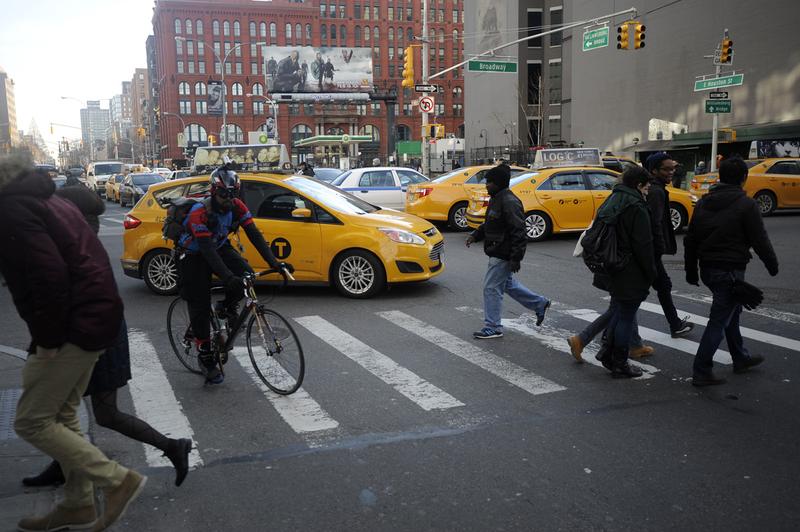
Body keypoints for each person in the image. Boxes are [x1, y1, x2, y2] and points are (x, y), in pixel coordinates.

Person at [0, 155, 146, 531]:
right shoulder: (49, 201)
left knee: (32, 420)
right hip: (95, 316)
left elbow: (48, 276)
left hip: (73, 326)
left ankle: (116, 480)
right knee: (63, 415)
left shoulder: (14, 209)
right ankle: (77, 504)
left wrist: (47, 341)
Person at [22, 183, 192, 489]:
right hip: (99, 333)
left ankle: (170, 448)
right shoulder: (80, 245)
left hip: (100, 336)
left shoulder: (76, 251)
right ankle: (64, 465)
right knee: (72, 410)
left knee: (102, 413)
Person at [178, 165, 293, 384]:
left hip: (219, 245)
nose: (228, 198)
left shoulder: (237, 207)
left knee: (247, 276)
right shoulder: (199, 213)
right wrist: (228, 278)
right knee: (200, 303)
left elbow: (255, 235)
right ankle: (205, 356)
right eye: (223, 194)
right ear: (214, 192)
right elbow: (207, 252)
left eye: (233, 193)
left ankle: (226, 307)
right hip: (194, 254)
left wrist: (275, 263)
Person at [684, 157, 779, 386]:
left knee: (731, 313)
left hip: (709, 269)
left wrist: (691, 270)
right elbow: (760, 240)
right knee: (719, 320)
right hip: (730, 271)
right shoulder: (746, 205)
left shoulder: (704, 203)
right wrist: (772, 264)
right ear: (743, 178)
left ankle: (740, 357)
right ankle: (702, 370)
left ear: (720, 177)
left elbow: (691, 239)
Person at [466, 164, 550, 339]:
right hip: (497, 249)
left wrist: (516, 258)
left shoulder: (509, 202)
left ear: (498, 183)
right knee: (507, 285)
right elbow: (490, 223)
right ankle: (539, 304)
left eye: (489, 182)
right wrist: (476, 235)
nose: (486, 185)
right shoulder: (497, 198)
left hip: (502, 253)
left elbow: (519, 231)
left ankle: (493, 327)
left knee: (491, 288)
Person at [593, 166, 657, 378]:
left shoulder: (612, 199)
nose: (647, 191)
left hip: (610, 264)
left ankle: (608, 354)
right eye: (646, 187)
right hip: (630, 268)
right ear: (638, 185)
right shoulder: (636, 206)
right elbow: (643, 245)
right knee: (626, 316)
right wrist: (651, 272)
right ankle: (620, 362)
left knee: (620, 311)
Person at [645, 153, 694, 337]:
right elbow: (654, 224)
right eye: (666, 169)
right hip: (649, 251)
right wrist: (658, 248)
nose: (671, 172)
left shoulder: (654, 188)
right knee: (633, 298)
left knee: (660, 287)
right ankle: (596, 335)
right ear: (654, 170)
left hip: (648, 251)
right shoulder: (656, 192)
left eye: (672, 168)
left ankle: (675, 324)